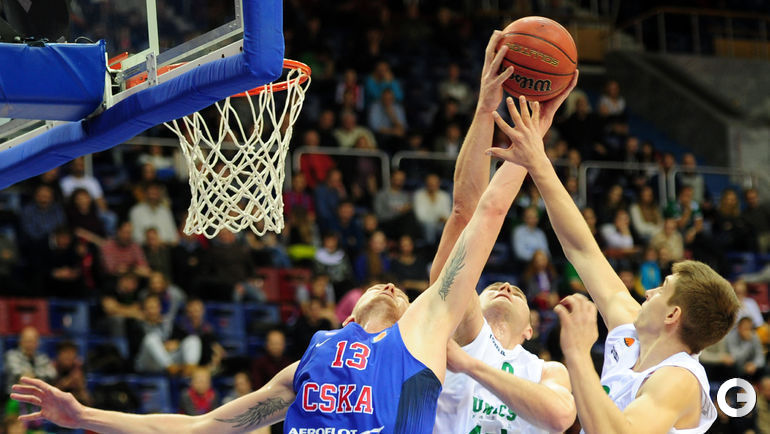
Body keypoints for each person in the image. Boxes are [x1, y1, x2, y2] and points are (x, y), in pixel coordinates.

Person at [10, 45, 531, 433]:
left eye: (399, 290)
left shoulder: (422, 332)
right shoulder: (311, 361)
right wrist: (83, 416)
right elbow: (199, 427)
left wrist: (510, 126)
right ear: (346, 315)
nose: (392, 286)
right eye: (380, 285)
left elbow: (475, 214)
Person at [487, 92, 741, 433]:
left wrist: (577, 354)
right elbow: (582, 249)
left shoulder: (678, 379)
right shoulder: (631, 333)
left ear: (672, 315)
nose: (649, 291)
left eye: (663, 289)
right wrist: (538, 161)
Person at [432, 35, 576, 433]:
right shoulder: (460, 337)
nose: (507, 287)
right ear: (470, 304)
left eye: (518, 293)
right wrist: (486, 110)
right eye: (492, 287)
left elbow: (560, 415)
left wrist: (472, 367)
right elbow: (469, 214)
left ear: (531, 330)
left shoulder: (547, 370)